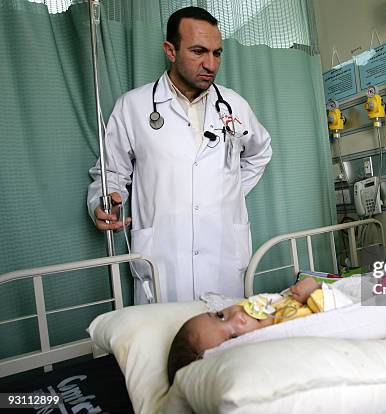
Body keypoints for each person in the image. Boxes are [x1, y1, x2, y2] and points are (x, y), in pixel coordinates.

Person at [87, 7, 272, 303]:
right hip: (162, 261)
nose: (210, 64)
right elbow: (111, 173)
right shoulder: (132, 107)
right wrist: (103, 201)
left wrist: (231, 191)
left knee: (228, 341)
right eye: (199, 51)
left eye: (217, 53)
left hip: (223, 257)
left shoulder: (234, 105)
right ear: (170, 51)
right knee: (165, 344)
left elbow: (260, 152)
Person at [166, 276, 353, 384]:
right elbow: (345, 318)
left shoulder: (265, 308)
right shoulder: (284, 335)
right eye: (233, 336)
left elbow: (278, 300)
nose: (238, 316)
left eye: (220, 315)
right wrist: (316, 292)